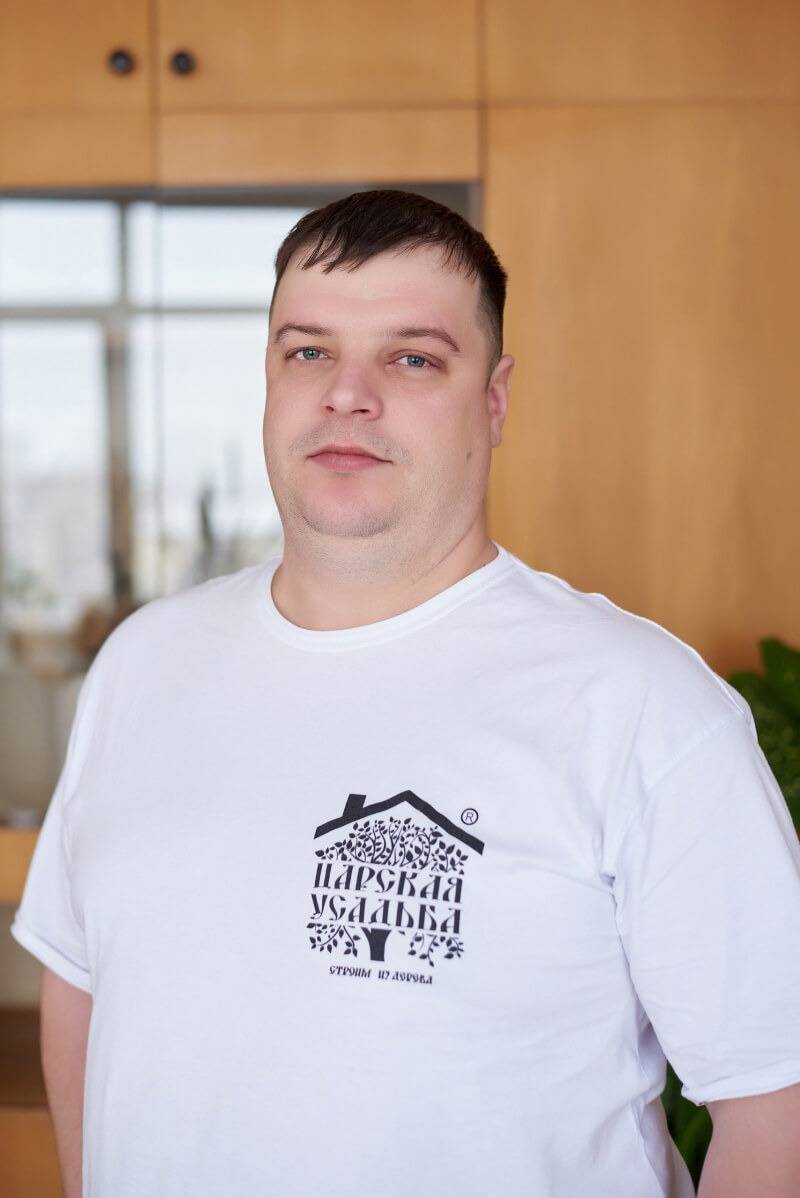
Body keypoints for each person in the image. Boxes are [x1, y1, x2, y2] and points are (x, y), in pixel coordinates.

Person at [11, 189, 800, 1198]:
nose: (347, 394)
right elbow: (78, 977)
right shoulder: (143, 662)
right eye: (308, 351)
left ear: (495, 400)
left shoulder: (640, 706)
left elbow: (773, 1101)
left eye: (412, 358)